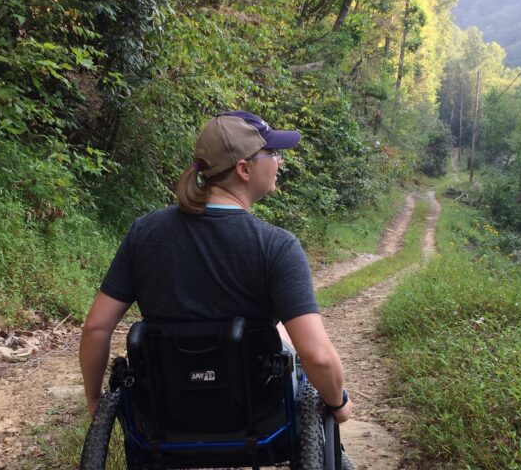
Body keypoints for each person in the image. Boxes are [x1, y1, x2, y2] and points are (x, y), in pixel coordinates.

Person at [79, 110, 353, 425]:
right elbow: (317, 356)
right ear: (244, 169)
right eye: (273, 153)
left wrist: (94, 400)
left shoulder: (144, 233)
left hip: (163, 410)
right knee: (282, 334)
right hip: (258, 412)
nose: (279, 161)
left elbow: (96, 328)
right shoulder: (276, 246)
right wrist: (339, 402)